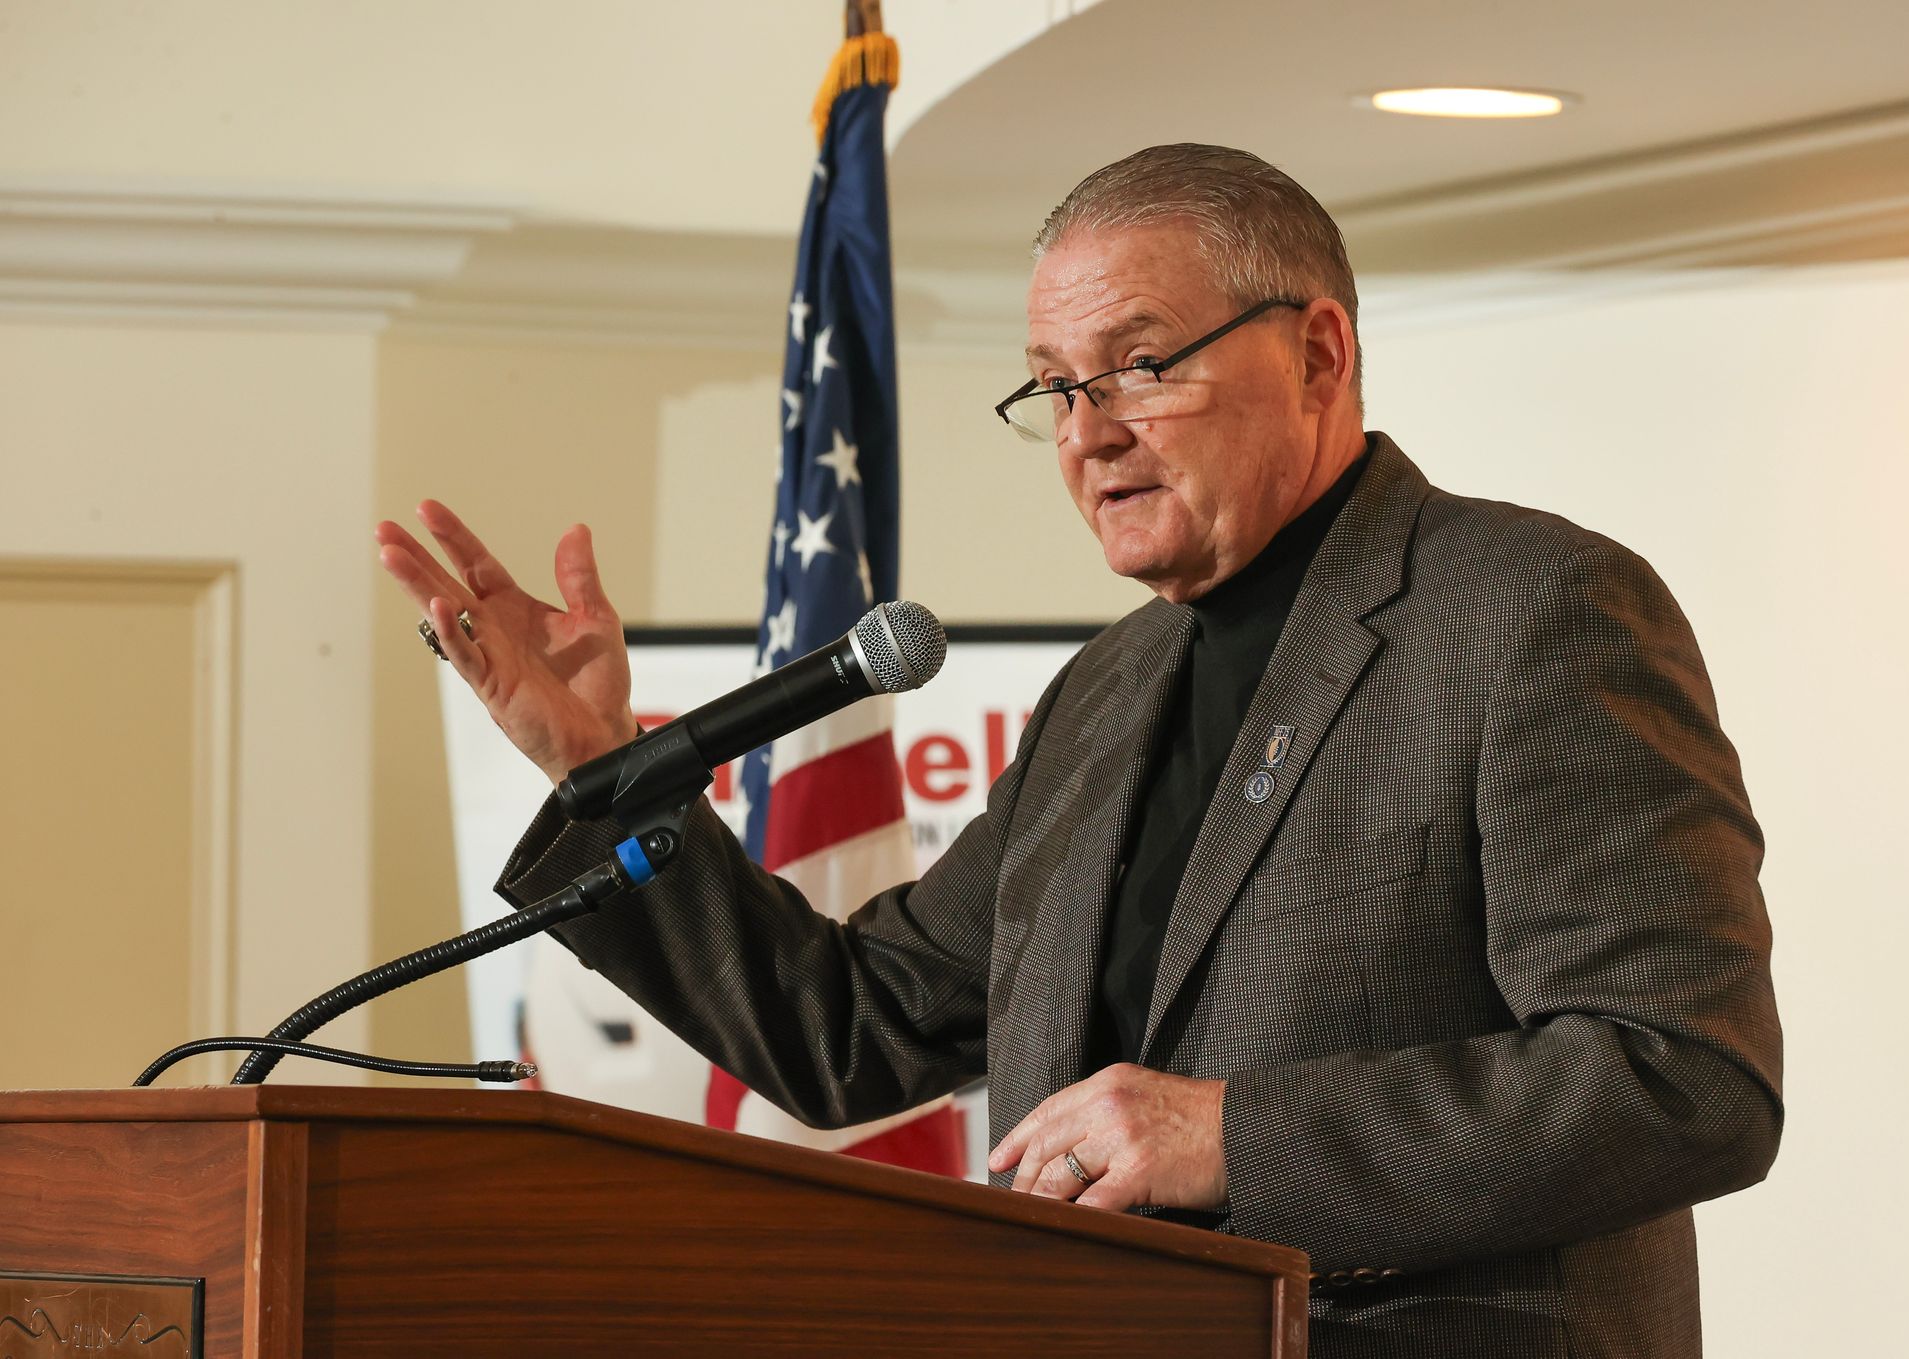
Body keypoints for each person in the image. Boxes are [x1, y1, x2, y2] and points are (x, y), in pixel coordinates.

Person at [377, 144, 1783, 1357]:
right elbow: (848, 1033)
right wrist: (600, 770)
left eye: (1139, 364)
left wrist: (1229, 1137)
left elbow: (1684, 1079)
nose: (1087, 433)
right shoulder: (1107, 688)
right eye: (1053, 386)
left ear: (1319, 351)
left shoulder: (1532, 610)